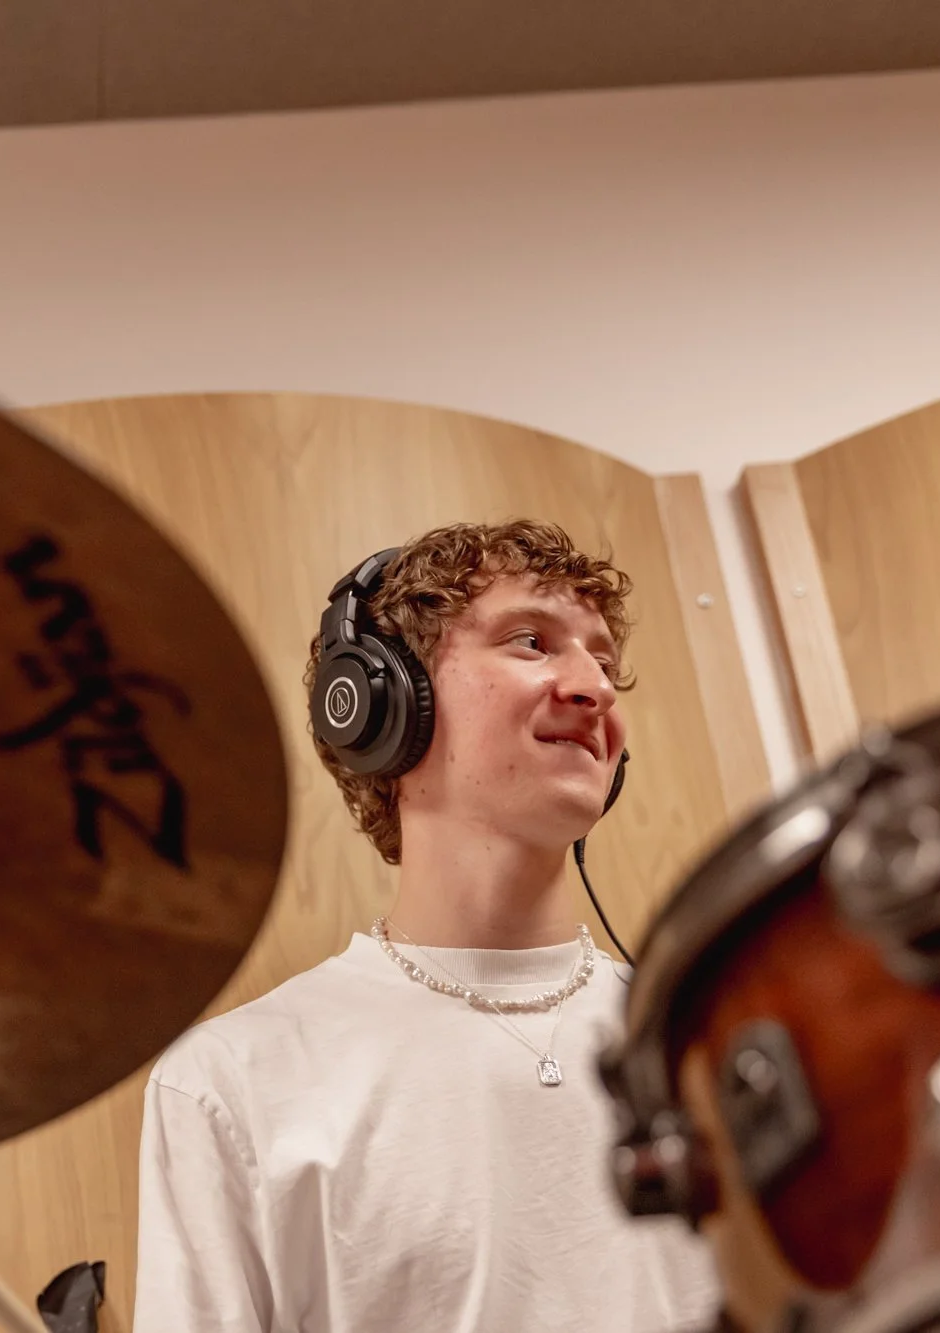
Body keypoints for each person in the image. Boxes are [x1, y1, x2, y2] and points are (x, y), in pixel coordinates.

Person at [133, 518, 719, 1332]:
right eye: (531, 642)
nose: (594, 687)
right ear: (382, 702)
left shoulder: (706, 1040)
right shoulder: (232, 1082)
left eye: (604, 660)